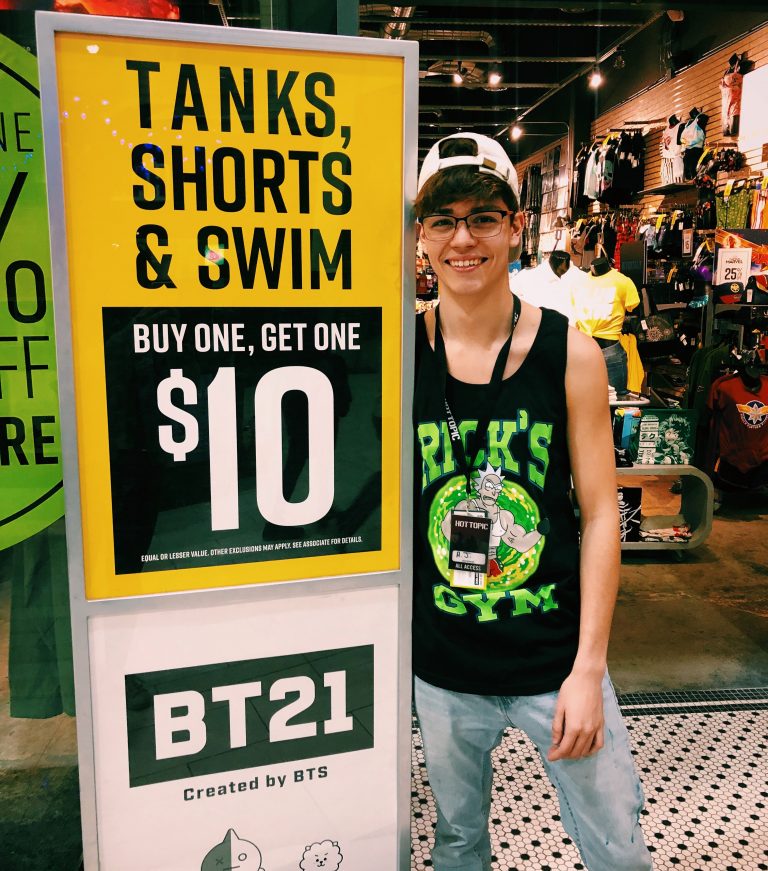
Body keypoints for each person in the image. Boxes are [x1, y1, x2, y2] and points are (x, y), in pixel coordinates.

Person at [412, 131, 653, 871]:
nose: (463, 239)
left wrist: (588, 668)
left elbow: (601, 514)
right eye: (443, 220)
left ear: (515, 227)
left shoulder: (570, 352)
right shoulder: (397, 354)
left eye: (483, 218)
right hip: (442, 664)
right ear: (421, 236)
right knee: (457, 843)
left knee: (617, 844)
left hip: (554, 658)